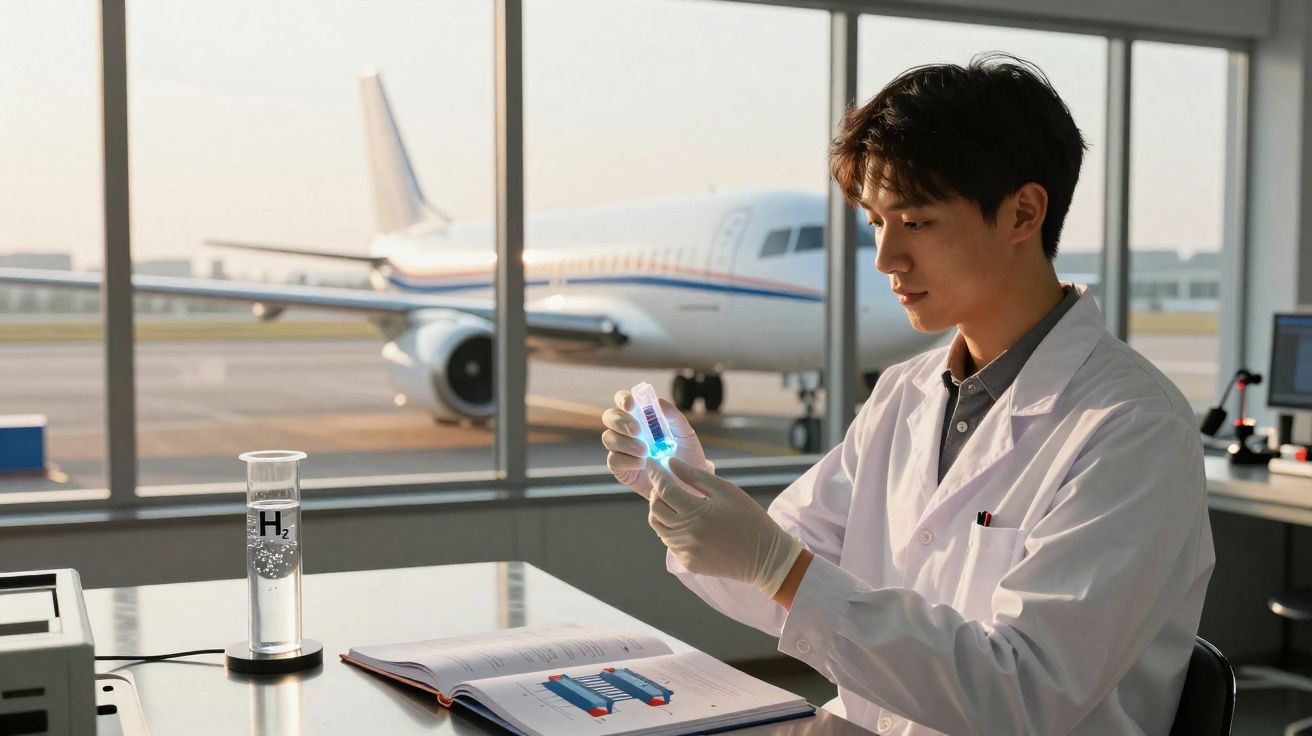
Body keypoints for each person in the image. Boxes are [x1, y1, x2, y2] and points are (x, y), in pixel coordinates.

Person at [600, 54, 1213, 735]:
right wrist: (685, 488)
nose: (887, 258)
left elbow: (1024, 695)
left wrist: (778, 564)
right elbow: (782, 577)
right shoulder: (908, 393)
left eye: (915, 221)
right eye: (875, 222)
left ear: (1023, 213)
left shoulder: (1132, 428)